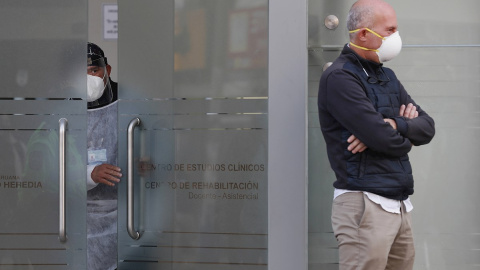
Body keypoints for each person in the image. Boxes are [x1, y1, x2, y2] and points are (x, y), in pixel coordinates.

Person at [317, 0, 435, 269]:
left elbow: (427, 128)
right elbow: (387, 141)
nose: (396, 37)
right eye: (390, 30)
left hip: (400, 203)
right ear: (363, 34)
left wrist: (391, 124)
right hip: (365, 204)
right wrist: (393, 130)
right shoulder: (340, 78)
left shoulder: (387, 77)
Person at [86, 42, 122, 270]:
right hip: (76, 220)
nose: (88, 80)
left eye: (93, 71)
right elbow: (51, 169)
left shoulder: (128, 103)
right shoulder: (60, 109)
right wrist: (90, 173)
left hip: (124, 218)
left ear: (107, 71)